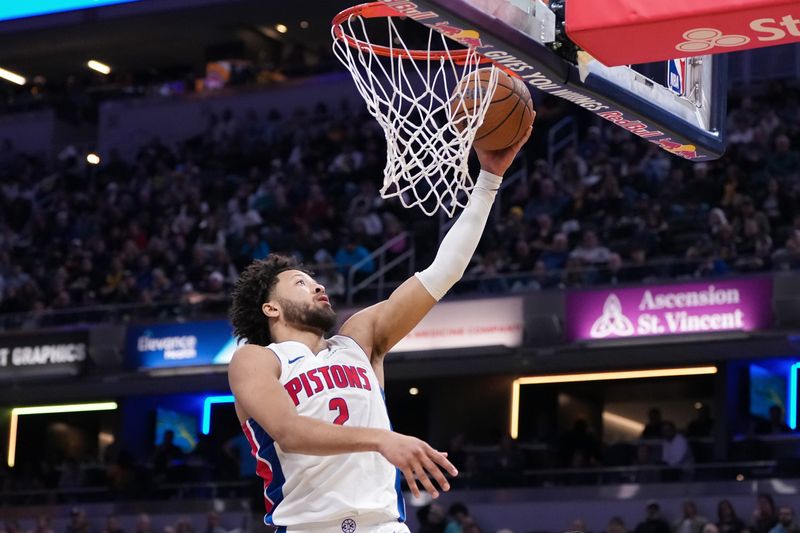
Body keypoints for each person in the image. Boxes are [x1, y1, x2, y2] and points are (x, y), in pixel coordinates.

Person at [227, 127, 532, 533]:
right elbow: (288, 431)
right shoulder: (256, 359)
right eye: (300, 283)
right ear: (271, 308)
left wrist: (489, 180)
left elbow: (443, 273)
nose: (318, 285)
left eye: (315, 280)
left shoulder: (360, 339)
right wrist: (381, 439)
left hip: (383, 526)